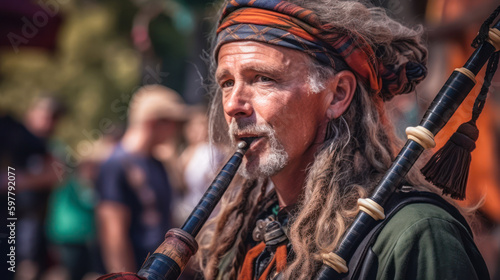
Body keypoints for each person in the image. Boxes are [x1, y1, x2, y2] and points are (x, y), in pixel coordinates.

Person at [194, 0, 489, 279]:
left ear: (337, 95)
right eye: (227, 82)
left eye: (263, 78)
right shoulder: (243, 239)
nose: (233, 104)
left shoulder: (414, 235)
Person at [96, 85, 189, 273]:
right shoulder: (115, 165)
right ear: (153, 122)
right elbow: (113, 235)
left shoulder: (157, 163)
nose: (177, 130)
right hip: (137, 270)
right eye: (174, 123)